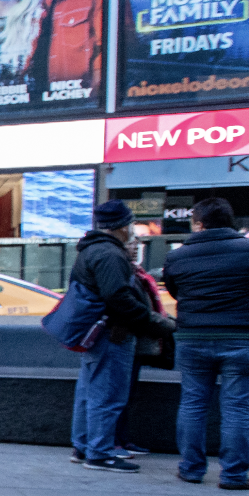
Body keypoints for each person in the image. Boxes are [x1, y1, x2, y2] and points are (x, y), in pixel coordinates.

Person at [160, 197, 249, 489]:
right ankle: (233, 475)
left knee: (193, 403)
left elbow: (175, 290)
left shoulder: (179, 256)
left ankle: (191, 469)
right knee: (238, 408)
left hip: (193, 337)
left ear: (198, 223)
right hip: (244, 337)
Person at [66, 201, 175, 472]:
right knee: (109, 394)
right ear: (123, 227)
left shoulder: (90, 250)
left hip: (95, 333)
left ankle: (83, 446)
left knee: (89, 392)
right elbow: (118, 298)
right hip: (113, 334)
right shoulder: (110, 255)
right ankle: (100, 453)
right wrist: (157, 323)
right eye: (131, 226)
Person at [111, 235, 172, 458]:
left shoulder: (135, 271)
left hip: (138, 339)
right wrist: (164, 323)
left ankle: (122, 439)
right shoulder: (122, 269)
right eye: (130, 243)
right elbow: (130, 305)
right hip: (125, 337)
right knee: (118, 394)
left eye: (137, 244)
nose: (135, 248)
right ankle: (114, 441)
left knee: (127, 393)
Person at [33, 0, 105, 105]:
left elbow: (109, 50)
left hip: (84, 103)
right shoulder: (44, 1)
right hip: (44, 104)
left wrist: (95, 98)